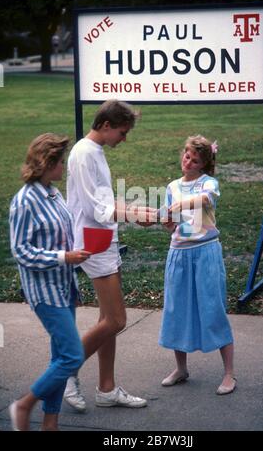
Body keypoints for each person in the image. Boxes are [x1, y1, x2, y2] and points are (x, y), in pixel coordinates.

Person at [64, 99, 156, 411]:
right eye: (122, 131)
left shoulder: (95, 152)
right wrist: (135, 213)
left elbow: (104, 203)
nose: (124, 138)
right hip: (93, 243)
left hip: (103, 239)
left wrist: (145, 212)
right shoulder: (84, 153)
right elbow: (96, 209)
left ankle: (106, 389)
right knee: (117, 319)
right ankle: (64, 370)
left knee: (107, 319)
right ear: (105, 125)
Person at [8, 133, 91, 431]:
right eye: (60, 162)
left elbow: (64, 236)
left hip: (64, 286)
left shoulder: (54, 194)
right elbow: (20, 251)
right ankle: (24, 405)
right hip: (44, 291)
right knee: (72, 356)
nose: (64, 167)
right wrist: (64, 257)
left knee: (60, 356)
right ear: (47, 163)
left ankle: (50, 423)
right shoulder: (24, 202)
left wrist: (74, 262)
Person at [158, 135, 236, 395]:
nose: (188, 162)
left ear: (203, 164)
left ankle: (228, 374)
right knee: (176, 310)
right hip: (179, 253)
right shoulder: (172, 187)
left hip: (205, 253)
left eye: (195, 160)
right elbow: (172, 226)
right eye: (186, 156)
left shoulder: (208, 184)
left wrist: (182, 204)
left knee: (213, 308)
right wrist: (166, 221)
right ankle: (181, 368)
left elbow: (205, 200)